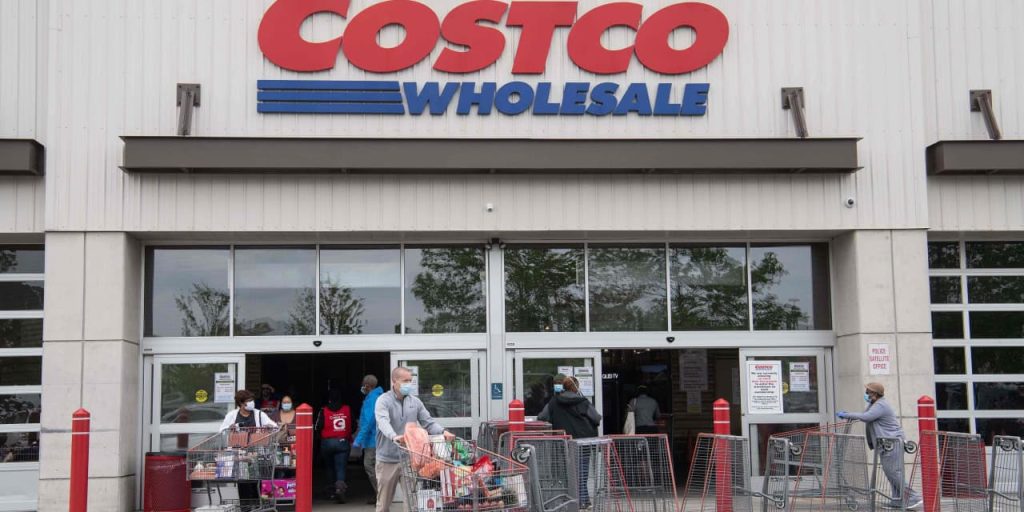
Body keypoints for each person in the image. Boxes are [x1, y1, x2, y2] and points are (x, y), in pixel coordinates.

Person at [375, 366, 454, 512]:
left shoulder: (415, 402)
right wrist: (394, 436)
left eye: (410, 381)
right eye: (405, 381)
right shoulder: (383, 401)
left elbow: (428, 422)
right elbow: (382, 421)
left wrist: (443, 432)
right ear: (394, 381)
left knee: (412, 503)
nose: (408, 384)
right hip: (387, 460)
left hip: (409, 459)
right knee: (383, 504)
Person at [838, 382, 923, 510]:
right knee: (891, 473)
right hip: (886, 444)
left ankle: (913, 497)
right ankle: (897, 501)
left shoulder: (881, 405)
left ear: (875, 393)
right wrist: (851, 414)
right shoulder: (874, 404)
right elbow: (865, 415)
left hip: (893, 443)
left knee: (894, 473)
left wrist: (847, 415)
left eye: (868, 392)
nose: (866, 394)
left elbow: (866, 417)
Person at [538, 375, 601, 509]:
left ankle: (572, 501)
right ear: (576, 387)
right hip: (583, 441)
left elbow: (542, 417)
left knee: (566, 472)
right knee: (582, 472)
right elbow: (596, 418)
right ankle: (583, 501)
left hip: (563, 442)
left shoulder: (554, 402)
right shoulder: (583, 401)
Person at [219, 390, 278, 504]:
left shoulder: (259, 414)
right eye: (249, 401)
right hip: (240, 455)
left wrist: (269, 427)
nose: (252, 403)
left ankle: (258, 506)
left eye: (252, 400)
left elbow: (274, 427)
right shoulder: (232, 415)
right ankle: (245, 507)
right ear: (241, 403)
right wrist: (230, 428)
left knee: (257, 482)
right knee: (243, 483)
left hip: (256, 453)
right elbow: (222, 431)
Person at [316, 388, 353, 503]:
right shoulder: (347, 409)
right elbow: (353, 425)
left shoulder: (323, 410)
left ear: (329, 399)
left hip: (327, 443)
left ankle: (331, 492)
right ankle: (340, 489)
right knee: (340, 467)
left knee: (329, 467)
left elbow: (318, 427)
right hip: (343, 442)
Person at [354, 374, 384, 505]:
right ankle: (379, 494)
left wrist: (358, 439)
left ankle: (381, 495)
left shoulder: (372, 399)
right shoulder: (376, 397)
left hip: (372, 440)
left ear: (367, 386)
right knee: (377, 467)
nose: (362, 387)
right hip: (376, 438)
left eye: (363, 385)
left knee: (369, 466)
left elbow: (368, 422)